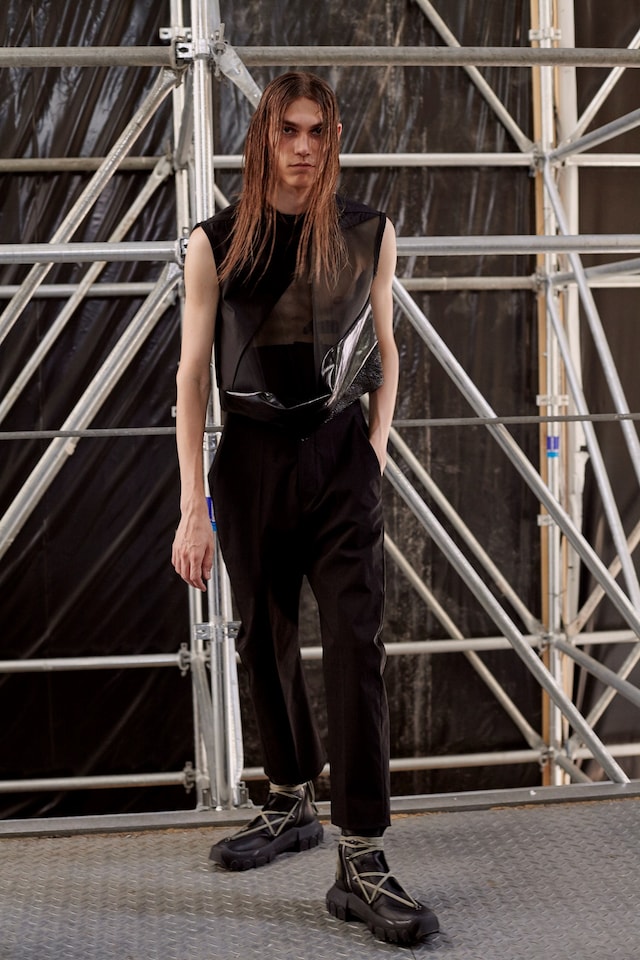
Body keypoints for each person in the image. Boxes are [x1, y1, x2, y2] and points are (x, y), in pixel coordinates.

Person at [171, 71, 439, 946]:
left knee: (358, 644)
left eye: (318, 132)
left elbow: (387, 348)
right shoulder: (214, 243)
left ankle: (361, 857)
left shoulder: (369, 232)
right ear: (263, 138)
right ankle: (290, 800)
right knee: (265, 633)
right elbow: (188, 383)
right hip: (248, 460)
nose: (302, 147)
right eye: (288, 130)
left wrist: (376, 446)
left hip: (338, 458)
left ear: (331, 142)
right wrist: (192, 509)